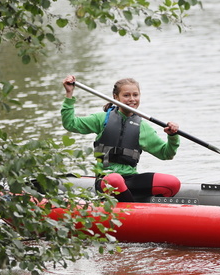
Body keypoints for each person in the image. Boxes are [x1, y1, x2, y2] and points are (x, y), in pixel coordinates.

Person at [61, 74, 181, 202]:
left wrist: (172, 136)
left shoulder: (143, 127)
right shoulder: (101, 119)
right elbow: (70, 124)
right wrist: (69, 94)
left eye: (135, 95)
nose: (132, 99)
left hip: (131, 179)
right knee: (115, 179)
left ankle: (141, 204)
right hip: (106, 180)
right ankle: (132, 208)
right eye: (126, 95)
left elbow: (166, 154)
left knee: (172, 183)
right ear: (115, 97)